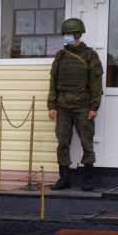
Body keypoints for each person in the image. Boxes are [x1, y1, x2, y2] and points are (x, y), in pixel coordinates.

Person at [47, 18, 103, 191]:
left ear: (78, 34)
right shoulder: (61, 55)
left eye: (70, 34)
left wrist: (94, 107)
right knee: (63, 143)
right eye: (65, 34)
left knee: (87, 143)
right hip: (63, 107)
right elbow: (53, 81)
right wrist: (52, 105)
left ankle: (87, 179)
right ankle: (64, 179)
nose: (67, 37)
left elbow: (96, 83)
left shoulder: (90, 55)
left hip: (83, 108)